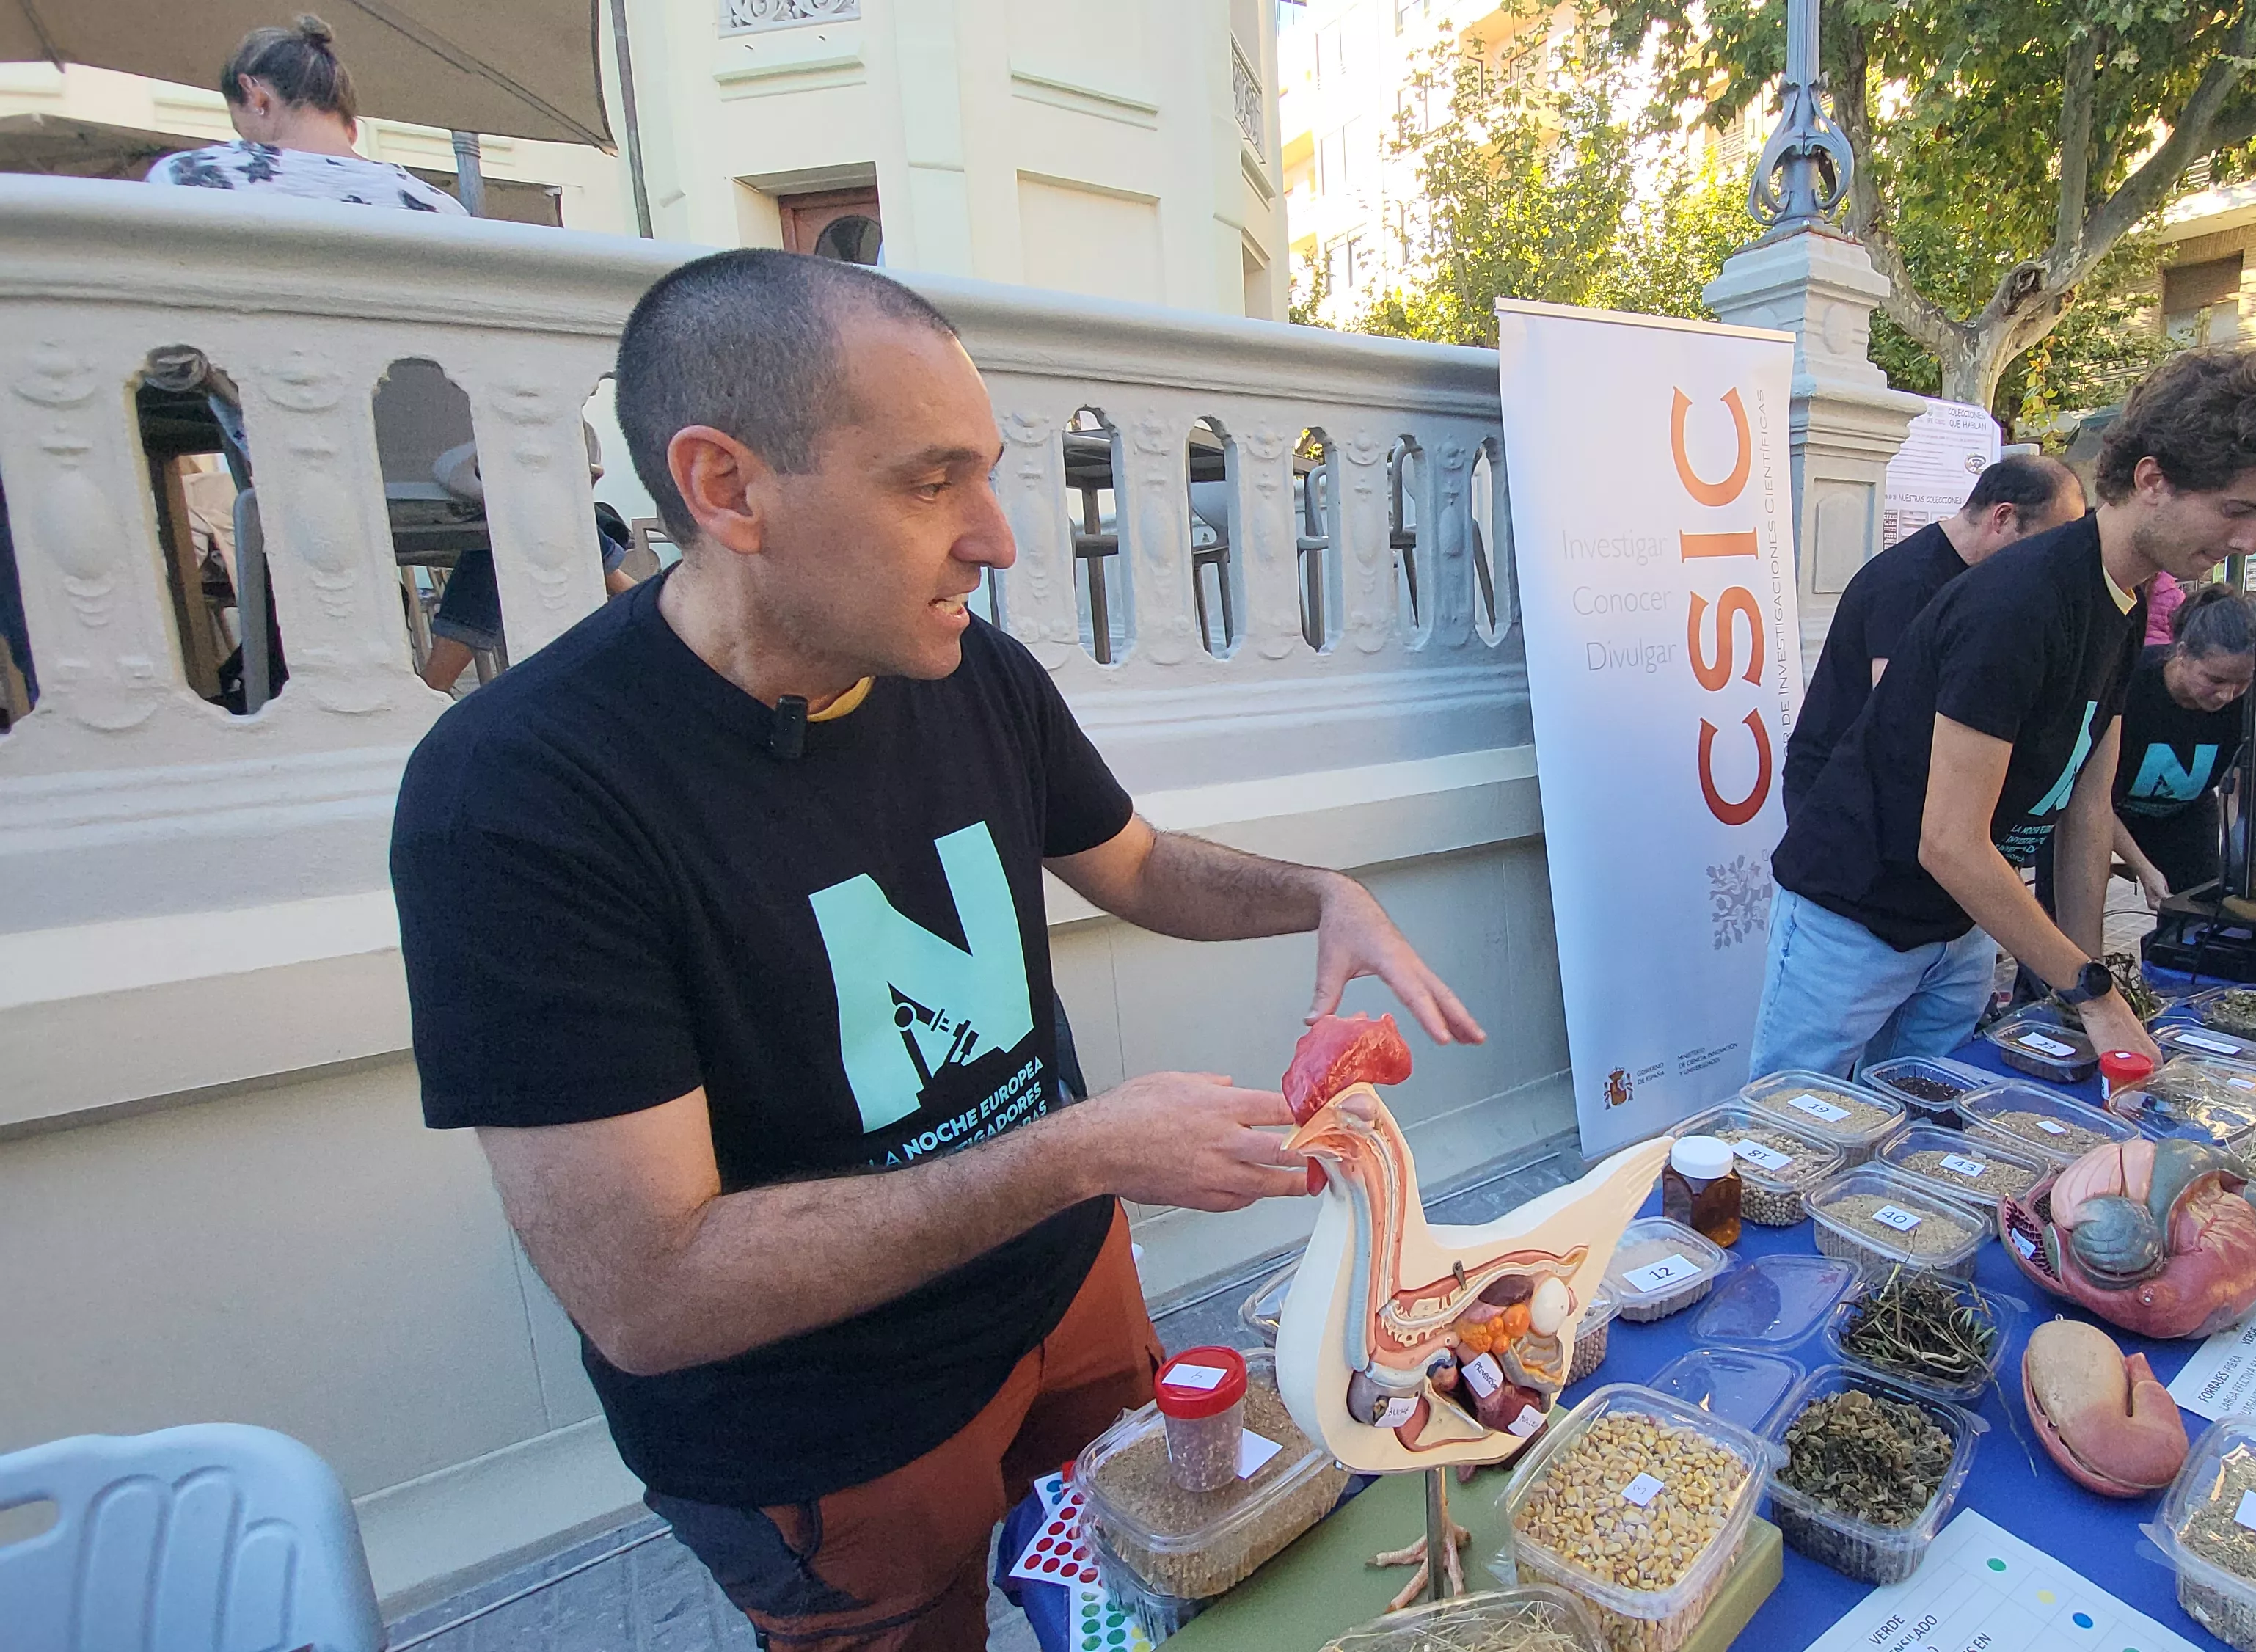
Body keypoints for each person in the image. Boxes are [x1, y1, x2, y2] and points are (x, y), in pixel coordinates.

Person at [390, 249, 1483, 1651]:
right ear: (727, 488)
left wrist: (1320, 892)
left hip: (1068, 1295)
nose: (998, 536)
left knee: (1141, 1604)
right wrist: (1078, 1151)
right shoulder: (523, 795)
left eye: (989, 472)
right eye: (929, 481)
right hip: (826, 1430)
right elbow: (649, 1291)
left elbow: (1134, 861)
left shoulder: (971, 671)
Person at [1755, 348, 2256, 1077]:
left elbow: (2087, 804)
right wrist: (2091, 994)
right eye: (2237, 510)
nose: (2248, 540)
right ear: (2153, 479)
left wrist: (2082, 970)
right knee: (1785, 1130)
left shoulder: (2126, 598)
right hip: (1855, 912)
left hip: (1964, 921)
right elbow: (1948, 840)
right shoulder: (2019, 602)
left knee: (1928, 1126)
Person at [1782, 453, 2085, 807]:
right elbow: (1899, 721)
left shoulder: (1974, 578)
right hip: (1840, 799)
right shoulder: (1909, 583)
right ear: (2003, 517)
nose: (2053, 560)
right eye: (2047, 542)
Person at [145, 17, 466, 215]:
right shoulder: (442, 210)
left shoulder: (187, 179)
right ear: (351, 128)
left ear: (258, 98)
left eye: (242, 127)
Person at [419, 425, 643, 692]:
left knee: (515, 519)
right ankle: (623, 585)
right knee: (521, 517)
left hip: (431, 493)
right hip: (502, 506)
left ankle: (434, 685)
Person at [2103, 584, 2256, 902]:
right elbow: (2090, 799)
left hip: (2184, 814)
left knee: (2200, 912)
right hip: (2101, 808)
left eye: (2241, 683)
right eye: (2214, 680)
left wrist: (2237, 856)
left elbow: (2240, 790)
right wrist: (2144, 868)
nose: (2227, 695)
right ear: (2183, 653)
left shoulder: (2248, 703)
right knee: (2064, 914)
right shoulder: (2129, 684)